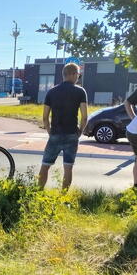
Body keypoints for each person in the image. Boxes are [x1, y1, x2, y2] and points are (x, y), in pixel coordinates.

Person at [38, 62, 88, 190]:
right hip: (72, 134)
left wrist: (50, 131)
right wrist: (80, 132)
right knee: (68, 167)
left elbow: (45, 117)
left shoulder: (52, 92)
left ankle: (38, 192)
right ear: (72, 74)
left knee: (45, 165)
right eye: (78, 75)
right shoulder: (80, 92)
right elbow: (84, 117)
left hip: (55, 133)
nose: (78, 77)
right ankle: (64, 197)